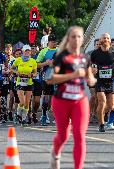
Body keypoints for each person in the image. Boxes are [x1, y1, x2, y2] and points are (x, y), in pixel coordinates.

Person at [46, 26, 96, 169]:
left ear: (83, 39)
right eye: (73, 36)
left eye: (79, 36)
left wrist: (91, 79)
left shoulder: (85, 58)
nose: (76, 39)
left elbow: (89, 77)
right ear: (68, 39)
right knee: (63, 135)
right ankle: (55, 153)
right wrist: (72, 75)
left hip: (79, 101)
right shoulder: (61, 57)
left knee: (80, 136)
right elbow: (49, 79)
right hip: (61, 100)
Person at [91, 33, 114, 132]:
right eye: (104, 38)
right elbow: (91, 66)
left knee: (111, 106)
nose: (106, 39)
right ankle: (101, 124)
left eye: (107, 38)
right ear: (100, 40)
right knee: (102, 102)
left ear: (110, 40)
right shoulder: (95, 53)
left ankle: (97, 114)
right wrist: (92, 70)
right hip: (100, 82)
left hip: (111, 81)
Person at [11, 45, 37, 125]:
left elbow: (35, 73)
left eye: (28, 51)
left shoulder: (33, 61)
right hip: (20, 82)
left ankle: (24, 119)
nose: (27, 52)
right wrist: (16, 72)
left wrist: (31, 75)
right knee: (22, 102)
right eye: (26, 51)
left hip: (29, 83)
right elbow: (12, 69)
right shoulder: (18, 60)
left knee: (27, 103)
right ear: (23, 52)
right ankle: (18, 114)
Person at [37, 34, 58, 126]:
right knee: (46, 97)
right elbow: (36, 64)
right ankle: (44, 116)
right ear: (48, 42)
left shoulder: (60, 50)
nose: (54, 43)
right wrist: (46, 63)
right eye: (53, 41)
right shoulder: (44, 51)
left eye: (55, 41)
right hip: (47, 76)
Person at [87, 39, 100, 123]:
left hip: (101, 78)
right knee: (94, 95)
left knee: (98, 97)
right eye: (97, 44)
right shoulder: (89, 53)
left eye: (99, 44)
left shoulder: (103, 53)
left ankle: (94, 114)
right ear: (94, 45)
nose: (98, 45)